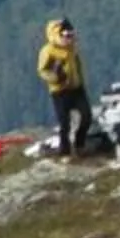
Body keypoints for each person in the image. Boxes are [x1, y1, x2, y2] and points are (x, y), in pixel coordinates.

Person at [36, 17, 91, 156]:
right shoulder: (48, 51)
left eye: (71, 35)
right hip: (59, 91)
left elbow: (78, 65)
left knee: (86, 116)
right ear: (58, 35)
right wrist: (55, 78)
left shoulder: (72, 49)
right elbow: (42, 70)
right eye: (66, 35)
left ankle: (80, 144)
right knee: (64, 123)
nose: (70, 38)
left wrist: (81, 81)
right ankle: (65, 150)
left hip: (76, 88)